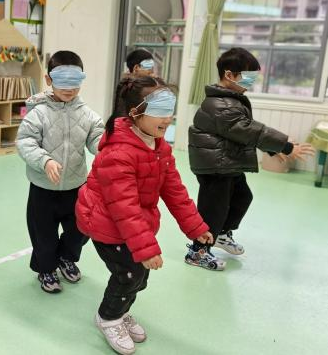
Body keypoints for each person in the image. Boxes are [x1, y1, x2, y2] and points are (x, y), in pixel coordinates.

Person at [76, 76, 212, 355]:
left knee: (140, 277)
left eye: (170, 109)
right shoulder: (119, 153)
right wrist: (146, 248)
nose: (168, 118)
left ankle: (122, 309)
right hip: (106, 224)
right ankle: (108, 317)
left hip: (133, 226)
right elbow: (123, 206)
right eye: (160, 111)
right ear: (135, 112)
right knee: (129, 275)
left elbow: (174, 190)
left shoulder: (159, 146)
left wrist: (195, 227)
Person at [186, 47, 314, 270]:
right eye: (248, 76)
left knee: (242, 197)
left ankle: (222, 234)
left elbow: (244, 133)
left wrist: (273, 150)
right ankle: (198, 251)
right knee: (213, 210)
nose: (251, 82)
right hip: (215, 166)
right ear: (229, 74)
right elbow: (250, 131)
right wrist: (284, 146)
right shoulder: (220, 105)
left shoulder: (231, 100)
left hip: (227, 162)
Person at [16, 50, 104, 293]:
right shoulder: (38, 113)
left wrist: (106, 148)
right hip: (43, 188)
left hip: (76, 186)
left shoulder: (86, 114)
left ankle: (66, 257)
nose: (69, 89)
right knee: (43, 235)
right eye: (63, 82)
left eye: (75, 83)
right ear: (49, 79)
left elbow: (97, 137)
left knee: (80, 230)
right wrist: (45, 161)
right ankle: (46, 269)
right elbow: (25, 142)